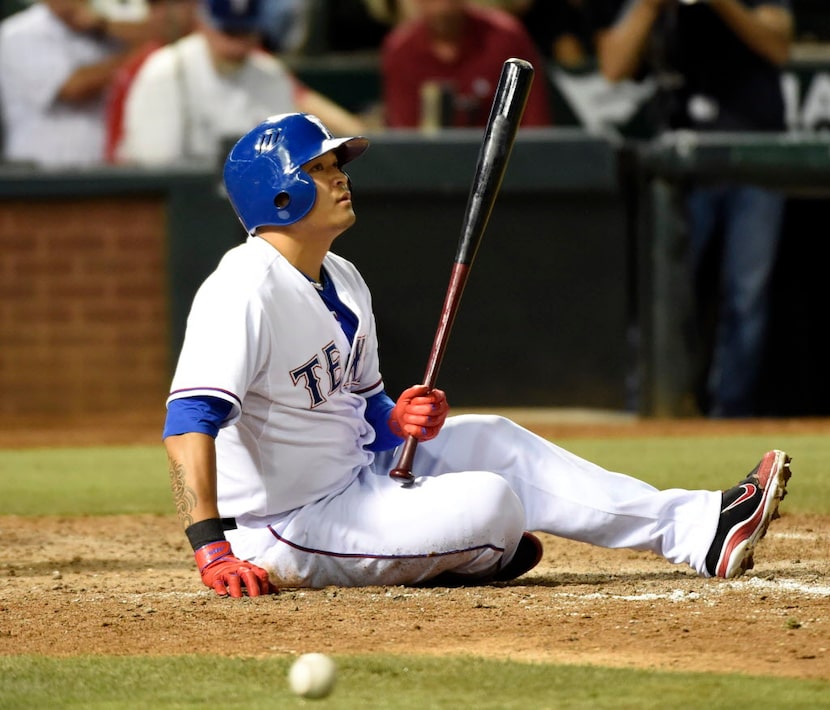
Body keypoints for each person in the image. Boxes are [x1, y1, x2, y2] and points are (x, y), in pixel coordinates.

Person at [162, 111, 793, 598]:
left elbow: (368, 404)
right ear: (280, 195)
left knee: (496, 439)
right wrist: (211, 547)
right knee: (495, 504)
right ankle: (475, 551)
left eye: (337, 165)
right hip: (286, 524)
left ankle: (701, 527)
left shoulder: (344, 278)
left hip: (358, 477)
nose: (341, 177)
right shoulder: (242, 288)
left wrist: (398, 419)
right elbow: (188, 423)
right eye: (322, 169)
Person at [592, 0, 794, 417]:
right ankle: (655, 407)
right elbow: (613, 66)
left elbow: (779, 45)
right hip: (678, 163)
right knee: (667, 296)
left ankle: (731, 413)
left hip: (755, 153)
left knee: (746, 296)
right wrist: (650, 8)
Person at [115, 0, 366, 165]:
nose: (237, 43)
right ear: (203, 24)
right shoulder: (168, 71)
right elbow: (155, 163)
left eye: (245, 32)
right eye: (228, 32)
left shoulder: (271, 74)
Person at [0, 0, 168, 167]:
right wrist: (137, 56)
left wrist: (102, 24)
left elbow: (161, 36)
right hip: (42, 171)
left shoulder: (102, 23)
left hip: (103, 168)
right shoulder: (19, 32)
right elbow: (74, 88)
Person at [380, 0, 553, 128]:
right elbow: (405, 132)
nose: (442, 4)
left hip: (506, 166)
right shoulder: (400, 50)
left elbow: (535, 125)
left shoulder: (506, 38)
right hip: (430, 168)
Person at [103, 0, 200, 163]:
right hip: (154, 175)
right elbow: (117, 144)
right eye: (155, 5)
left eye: (175, 4)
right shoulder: (136, 66)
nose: (165, 14)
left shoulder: (234, 54)